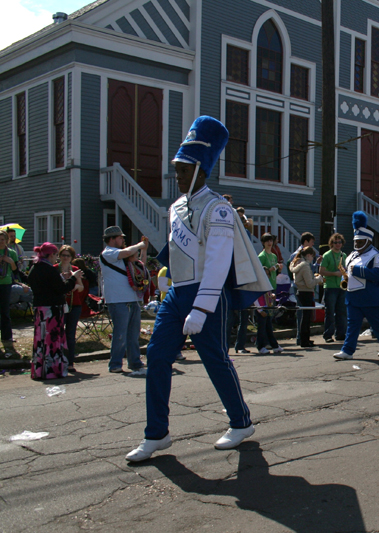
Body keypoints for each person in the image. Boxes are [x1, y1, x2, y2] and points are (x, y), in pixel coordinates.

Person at [126, 116, 272, 462]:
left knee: (215, 359)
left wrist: (203, 307)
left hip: (207, 295)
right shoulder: (175, 208)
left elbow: (219, 262)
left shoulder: (217, 207)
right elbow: (175, 255)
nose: (177, 176)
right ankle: (156, 433)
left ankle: (241, 422)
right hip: (177, 294)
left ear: (201, 171)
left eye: (183, 169)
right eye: (176, 169)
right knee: (157, 356)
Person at [333, 212, 379, 360]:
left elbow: (378, 274)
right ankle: (347, 351)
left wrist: (359, 271)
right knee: (352, 325)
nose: (357, 244)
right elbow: (347, 272)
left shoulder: (377, 255)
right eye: (356, 242)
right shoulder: (351, 255)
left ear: (368, 241)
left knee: (376, 323)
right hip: (353, 295)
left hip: (370, 296)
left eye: (361, 242)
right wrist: (345, 278)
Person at [27, 242, 83, 379]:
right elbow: (62, 289)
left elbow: (36, 284)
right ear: (51, 254)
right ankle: (52, 371)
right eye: (55, 255)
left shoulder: (34, 268)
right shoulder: (50, 270)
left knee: (40, 340)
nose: (56, 259)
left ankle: (40, 370)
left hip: (40, 308)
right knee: (53, 340)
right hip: (52, 310)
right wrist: (73, 278)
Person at [100, 226, 149, 375]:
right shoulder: (108, 252)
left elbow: (140, 263)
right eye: (120, 238)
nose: (123, 240)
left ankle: (135, 362)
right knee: (120, 333)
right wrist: (139, 245)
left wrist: (144, 249)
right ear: (112, 239)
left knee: (133, 333)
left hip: (132, 298)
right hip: (117, 299)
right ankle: (115, 363)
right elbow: (126, 252)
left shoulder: (122, 255)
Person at [58, 245, 86, 373]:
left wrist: (74, 286)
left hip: (74, 304)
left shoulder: (75, 270)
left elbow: (81, 287)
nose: (65, 258)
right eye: (63, 255)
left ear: (72, 257)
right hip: (59, 305)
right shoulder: (54, 269)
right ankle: (58, 360)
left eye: (68, 256)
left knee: (70, 334)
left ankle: (70, 362)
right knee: (58, 333)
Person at [256, 233, 284, 354]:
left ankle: (272, 344)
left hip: (271, 287)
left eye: (271, 240)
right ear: (263, 242)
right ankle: (261, 344)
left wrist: (278, 269)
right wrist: (269, 269)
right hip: (263, 288)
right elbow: (259, 271)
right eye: (267, 241)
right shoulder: (261, 256)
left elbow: (275, 273)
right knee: (263, 318)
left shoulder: (273, 255)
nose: (269, 243)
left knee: (269, 318)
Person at [290, 247, 323, 348]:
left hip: (302, 291)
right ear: (308, 255)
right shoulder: (304, 265)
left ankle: (305, 338)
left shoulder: (299, 263)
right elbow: (309, 284)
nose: (313, 258)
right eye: (312, 256)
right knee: (306, 317)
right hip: (306, 292)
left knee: (305, 317)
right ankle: (304, 341)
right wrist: (318, 279)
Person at [319, 233, 347, 343]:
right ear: (332, 243)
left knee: (342, 312)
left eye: (340, 242)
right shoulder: (327, 255)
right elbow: (321, 271)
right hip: (330, 286)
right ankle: (328, 335)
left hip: (341, 286)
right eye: (336, 242)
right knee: (330, 312)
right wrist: (334, 273)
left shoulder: (343, 255)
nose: (338, 244)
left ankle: (341, 334)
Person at [0, 230, 19, 355]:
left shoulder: (11, 253)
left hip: (6, 283)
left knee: (5, 311)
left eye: (2, 239)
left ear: (6, 240)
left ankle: (7, 337)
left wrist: (10, 262)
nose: (0, 242)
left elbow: (16, 270)